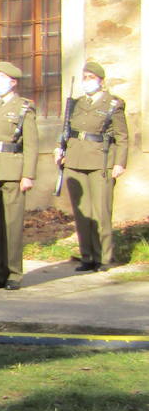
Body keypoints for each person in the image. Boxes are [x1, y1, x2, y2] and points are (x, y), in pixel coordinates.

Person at [56, 61, 129, 271]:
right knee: (83, 213)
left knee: (101, 212)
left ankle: (104, 257)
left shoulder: (113, 104)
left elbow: (122, 137)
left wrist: (119, 163)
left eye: (91, 78)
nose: (87, 82)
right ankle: (87, 256)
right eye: (84, 77)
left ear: (101, 81)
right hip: (75, 161)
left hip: (101, 162)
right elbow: (66, 131)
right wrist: (59, 149)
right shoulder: (76, 104)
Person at [0, 61, 38, 291]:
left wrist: (28, 175)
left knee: (11, 225)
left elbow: (31, 144)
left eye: (2, 77)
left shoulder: (23, 108)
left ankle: (14, 273)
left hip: (12, 170)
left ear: (13, 82)